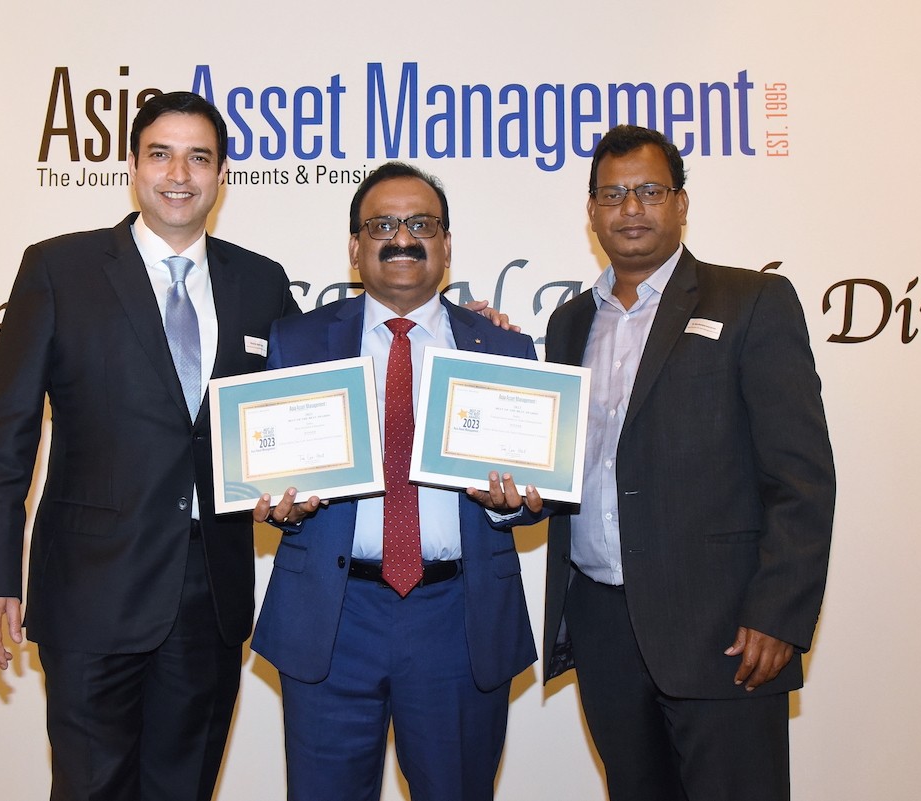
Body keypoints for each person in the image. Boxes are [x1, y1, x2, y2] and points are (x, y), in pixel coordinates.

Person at [0, 91, 301, 801]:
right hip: (91, 590)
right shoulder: (60, 269)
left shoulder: (260, 282)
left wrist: (467, 327)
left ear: (221, 174)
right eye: (160, 154)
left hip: (210, 594)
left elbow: (314, 395)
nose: (179, 173)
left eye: (198, 157)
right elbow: (2, 435)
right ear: (132, 167)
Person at [542, 125, 836, 800]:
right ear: (591, 211)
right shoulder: (568, 324)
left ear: (680, 202)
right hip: (603, 624)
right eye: (613, 194)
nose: (631, 209)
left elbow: (801, 477)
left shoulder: (751, 301)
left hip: (724, 625)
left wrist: (778, 612)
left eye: (650, 191)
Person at [250, 162, 543, 801]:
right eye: (382, 225)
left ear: (446, 244)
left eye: (421, 225)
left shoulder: (503, 349)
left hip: (458, 619)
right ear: (355, 247)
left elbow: (534, 490)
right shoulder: (297, 340)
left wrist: (509, 506)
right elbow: (269, 472)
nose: (402, 238)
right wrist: (277, 505)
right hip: (332, 617)